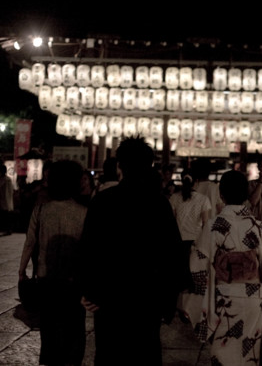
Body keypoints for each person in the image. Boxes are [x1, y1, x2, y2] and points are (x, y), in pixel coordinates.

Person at [79, 136, 189, 366]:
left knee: (110, 354)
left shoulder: (103, 201)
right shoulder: (159, 204)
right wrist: (168, 301)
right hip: (147, 298)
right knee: (145, 354)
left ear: (120, 165)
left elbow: (89, 248)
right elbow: (174, 253)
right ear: (150, 166)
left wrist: (89, 291)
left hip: (110, 297)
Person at [183, 169, 262, 365]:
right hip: (255, 299)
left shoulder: (213, 225)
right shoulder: (258, 226)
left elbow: (198, 264)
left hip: (225, 299)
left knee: (222, 355)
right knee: (249, 356)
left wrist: (201, 295)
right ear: (247, 194)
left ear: (221, 194)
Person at [18, 159, 89, 366]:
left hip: (46, 279)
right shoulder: (84, 212)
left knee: (49, 330)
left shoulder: (41, 210)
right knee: (74, 329)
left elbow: (30, 242)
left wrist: (22, 271)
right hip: (73, 281)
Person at [0, 163, 15, 235]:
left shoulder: (2, 180)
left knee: (2, 217)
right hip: (9, 202)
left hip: (3, 202)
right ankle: (8, 230)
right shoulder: (8, 179)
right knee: (8, 217)